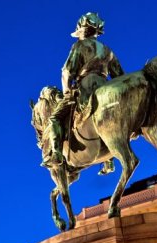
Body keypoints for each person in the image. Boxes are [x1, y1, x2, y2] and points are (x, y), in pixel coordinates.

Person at [48, 12, 124, 174]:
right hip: (105, 88)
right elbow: (119, 76)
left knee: (54, 118)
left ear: (82, 31)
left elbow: (67, 72)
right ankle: (109, 160)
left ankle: (56, 154)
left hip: (85, 88)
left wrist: (67, 91)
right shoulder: (107, 51)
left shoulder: (79, 46)